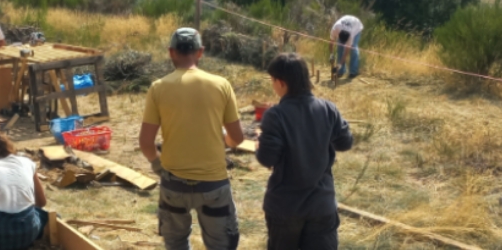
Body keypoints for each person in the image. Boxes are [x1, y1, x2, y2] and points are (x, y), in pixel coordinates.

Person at [140, 27, 244, 250]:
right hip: (214, 186)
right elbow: (237, 137)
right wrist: (223, 141)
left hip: (173, 186)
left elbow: (146, 143)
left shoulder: (158, 88)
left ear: (171, 52)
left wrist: (159, 167)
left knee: (176, 244)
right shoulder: (221, 85)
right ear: (200, 52)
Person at [256, 53, 354, 249]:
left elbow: (267, 157)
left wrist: (260, 142)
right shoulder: (328, 109)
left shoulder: (275, 115)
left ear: (281, 82)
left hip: (285, 207)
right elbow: (345, 142)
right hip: (322, 204)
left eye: (273, 81)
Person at [328, 15, 363, 79]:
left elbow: (346, 53)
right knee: (340, 48)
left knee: (353, 49)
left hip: (357, 26)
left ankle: (353, 71)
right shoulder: (335, 29)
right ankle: (341, 71)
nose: (344, 43)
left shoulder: (351, 35)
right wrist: (331, 54)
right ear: (338, 34)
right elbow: (331, 43)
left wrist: (339, 65)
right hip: (346, 23)